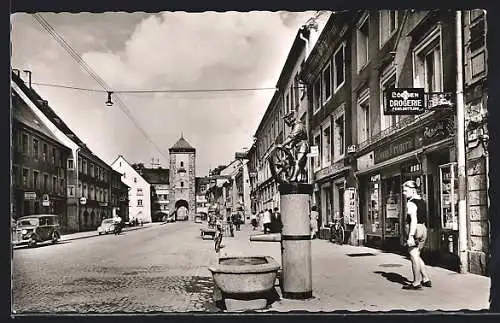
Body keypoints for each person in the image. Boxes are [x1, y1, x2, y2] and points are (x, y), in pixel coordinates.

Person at [402, 180, 431, 290]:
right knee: (417, 254)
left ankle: (416, 282)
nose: (404, 193)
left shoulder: (411, 203)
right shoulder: (422, 201)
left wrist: (410, 235)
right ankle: (426, 278)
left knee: (413, 256)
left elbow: (413, 220)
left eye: (405, 190)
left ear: (413, 190)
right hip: (423, 228)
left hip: (415, 229)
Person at [280, 111, 309, 182]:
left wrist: (283, 144)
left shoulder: (298, 125)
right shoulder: (295, 125)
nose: (288, 124)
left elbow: (292, 137)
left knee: (298, 162)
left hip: (302, 146)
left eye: (288, 121)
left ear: (292, 118)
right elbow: (295, 139)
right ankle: (303, 178)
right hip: (298, 146)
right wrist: (290, 146)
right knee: (301, 165)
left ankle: (294, 177)